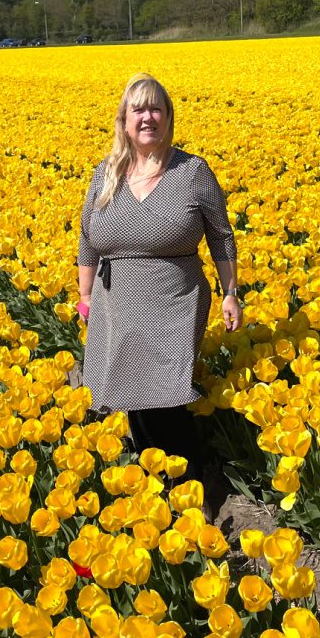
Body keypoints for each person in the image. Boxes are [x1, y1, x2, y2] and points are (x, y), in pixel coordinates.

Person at [76, 72, 242, 521]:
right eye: (139, 109)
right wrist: (85, 296)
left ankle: (192, 490)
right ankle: (157, 484)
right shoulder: (106, 174)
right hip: (116, 303)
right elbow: (87, 240)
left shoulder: (191, 172)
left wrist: (230, 293)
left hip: (173, 300)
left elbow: (221, 236)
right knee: (134, 400)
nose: (147, 117)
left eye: (156, 109)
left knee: (167, 397)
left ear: (168, 118)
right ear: (124, 120)